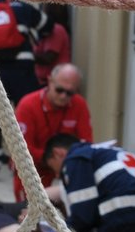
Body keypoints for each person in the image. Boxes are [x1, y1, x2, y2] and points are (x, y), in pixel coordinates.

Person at [0, 0, 54, 182]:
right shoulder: (23, 8)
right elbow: (47, 26)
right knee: (29, 116)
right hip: (22, 71)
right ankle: (30, 169)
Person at [11, 63, 93, 200]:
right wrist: (52, 159)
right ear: (49, 81)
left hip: (67, 165)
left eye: (70, 93)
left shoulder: (80, 104)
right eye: (59, 90)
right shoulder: (28, 105)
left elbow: (87, 143)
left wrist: (66, 162)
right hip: (33, 167)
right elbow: (21, 149)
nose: (63, 96)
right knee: (28, 210)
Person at [33, 3, 73, 88]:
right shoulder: (47, 31)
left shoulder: (56, 30)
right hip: (45, 82)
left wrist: (26, 54)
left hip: (53, 85)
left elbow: (49, 58)